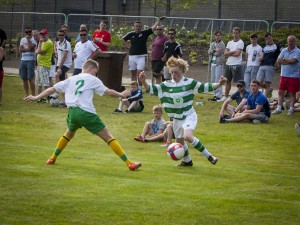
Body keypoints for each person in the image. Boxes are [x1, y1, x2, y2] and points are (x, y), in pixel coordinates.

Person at [24, 59, 142, 171]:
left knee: (68, 134)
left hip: (72, 112)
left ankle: (52, 158)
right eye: (96, 72)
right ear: (90, 68)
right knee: (108, 137)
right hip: (86, 112)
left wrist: (36, 97)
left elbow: (52, 89)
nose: (96, 75)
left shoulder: (71, 79)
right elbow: (109, 92)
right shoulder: (92, 79)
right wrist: (122, 95)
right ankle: (129, 163)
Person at [139, 56, 227, 166]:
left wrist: (219, 84)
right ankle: (187, 161)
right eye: (171, 73)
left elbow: (205, 86)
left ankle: (210, 156)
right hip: (176, 119)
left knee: (187, 136)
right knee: (179, 142)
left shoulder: (189, 83)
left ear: (182, 71)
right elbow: (151, 89)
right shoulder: (166, 85)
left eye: (176, 72)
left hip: (188, 115)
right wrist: (143, 82)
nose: (174, 75)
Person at [123, 17, 164, 89]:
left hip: (141, 56)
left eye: (139, 26)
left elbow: (153, 28)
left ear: (141, 27)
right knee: (133, 73)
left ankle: (140, 88)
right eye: (136, 26)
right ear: (134, 27)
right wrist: (129, 47)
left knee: (140, 72)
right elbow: (123, 40)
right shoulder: (131, 34)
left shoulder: (144, 33)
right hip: (132, 56)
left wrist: (158, 20)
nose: (138, 27)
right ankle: (133, 87)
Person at [272, 35, 300, 116]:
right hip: (283, 75)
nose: (290, 43)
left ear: (295, 42)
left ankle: (291, 109)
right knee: (280, 92)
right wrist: (287, 61)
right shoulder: (284, 50)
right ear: (287, 42)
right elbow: (279, 60)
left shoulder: (298, 51)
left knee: (292, 93)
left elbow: (294, 61)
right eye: (289, 41)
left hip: (293, 76)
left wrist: (284, 60)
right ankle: (279, 108)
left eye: (292, 41)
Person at [219, 27, 244, 102]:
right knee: (227, 81)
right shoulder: (230, 42)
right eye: (234, 33)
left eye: (236, 33)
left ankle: (240, 98)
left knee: (238, 83)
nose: (235, 35)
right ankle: (225, 97)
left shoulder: (241, 42)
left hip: (236, 64)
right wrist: (233, 51)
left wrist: (230, 52)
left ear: (239, 34)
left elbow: (238, 53)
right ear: (232, 33)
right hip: (228, 64)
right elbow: (225, 53)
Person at [256, 32, 281, 97]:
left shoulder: (277, 46)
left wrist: (278, 62)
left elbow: (282, 53)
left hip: (270, 66)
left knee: (267, 83)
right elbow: (261, 56)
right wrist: (260, 58)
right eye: (266, 39)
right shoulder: (264, 47)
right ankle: (268, 89)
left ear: (271, 38)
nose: (267, 40)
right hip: (262, 65)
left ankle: (264, 99)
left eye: (268, 38)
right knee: (258, 82)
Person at [35, 29, 53, 103]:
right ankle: (39, 98)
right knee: (39, 83)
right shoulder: (43, 42)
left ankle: (46, 98)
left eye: (44, 34)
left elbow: (38, 51)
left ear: (47, 34)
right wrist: (39, 51)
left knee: (45, 83)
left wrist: (39, 43)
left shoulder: (48, 42)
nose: (42, 36)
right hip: (40, 65)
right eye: (41, 34)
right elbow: (36, 51)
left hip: (44, 65)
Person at [19, 27, 37, 97]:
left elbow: (31, 47)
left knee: (30, 78)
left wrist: (28, 39)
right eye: (27, 32)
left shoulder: (33, 40)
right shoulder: (22, 39)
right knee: (24, 78)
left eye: (29, 32)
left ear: (31, 32)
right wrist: (28, 49)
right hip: (23, 60)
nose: (28, 33)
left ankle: (32, 95)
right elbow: (20, 49)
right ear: (25, 33)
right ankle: (26, 94)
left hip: (30, 60)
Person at [208, 30, 225, 101]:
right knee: (213, 80)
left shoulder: (222, 44)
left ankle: (218, 95)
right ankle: (215, 95)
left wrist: (213, 51)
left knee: (218, 79)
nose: (217, 37)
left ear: (221, 36)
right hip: (213, 63)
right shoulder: (213, 43)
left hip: (219, 63)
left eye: (219, 35)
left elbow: (218, 53)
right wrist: (215, 50)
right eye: (216, 35)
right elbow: (209, 52)